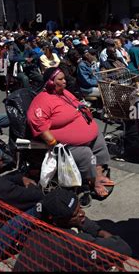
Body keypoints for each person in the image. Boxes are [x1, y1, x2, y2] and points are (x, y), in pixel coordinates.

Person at [27, 67, 114, 198]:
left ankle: (99, 173)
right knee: (85, 153)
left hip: (88, 137)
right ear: (50, 82)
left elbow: (77, 106)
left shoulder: (64, 93)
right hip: (65, 146)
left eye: (64, 78)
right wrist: (54, 145)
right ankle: (93, 182)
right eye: (60, 79)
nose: (65, 81)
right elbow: (38, 124)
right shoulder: (42, 101)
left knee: (99, 139)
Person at [13, 189, 132, 271]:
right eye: (75, 214)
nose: (82, 213)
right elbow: (124, 249)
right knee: (109, 262)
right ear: (58, 220)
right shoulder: (73, 242)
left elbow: (80, 219)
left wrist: (96, 230)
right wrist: (105, 236)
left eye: (80, 208)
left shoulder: (38, 229)